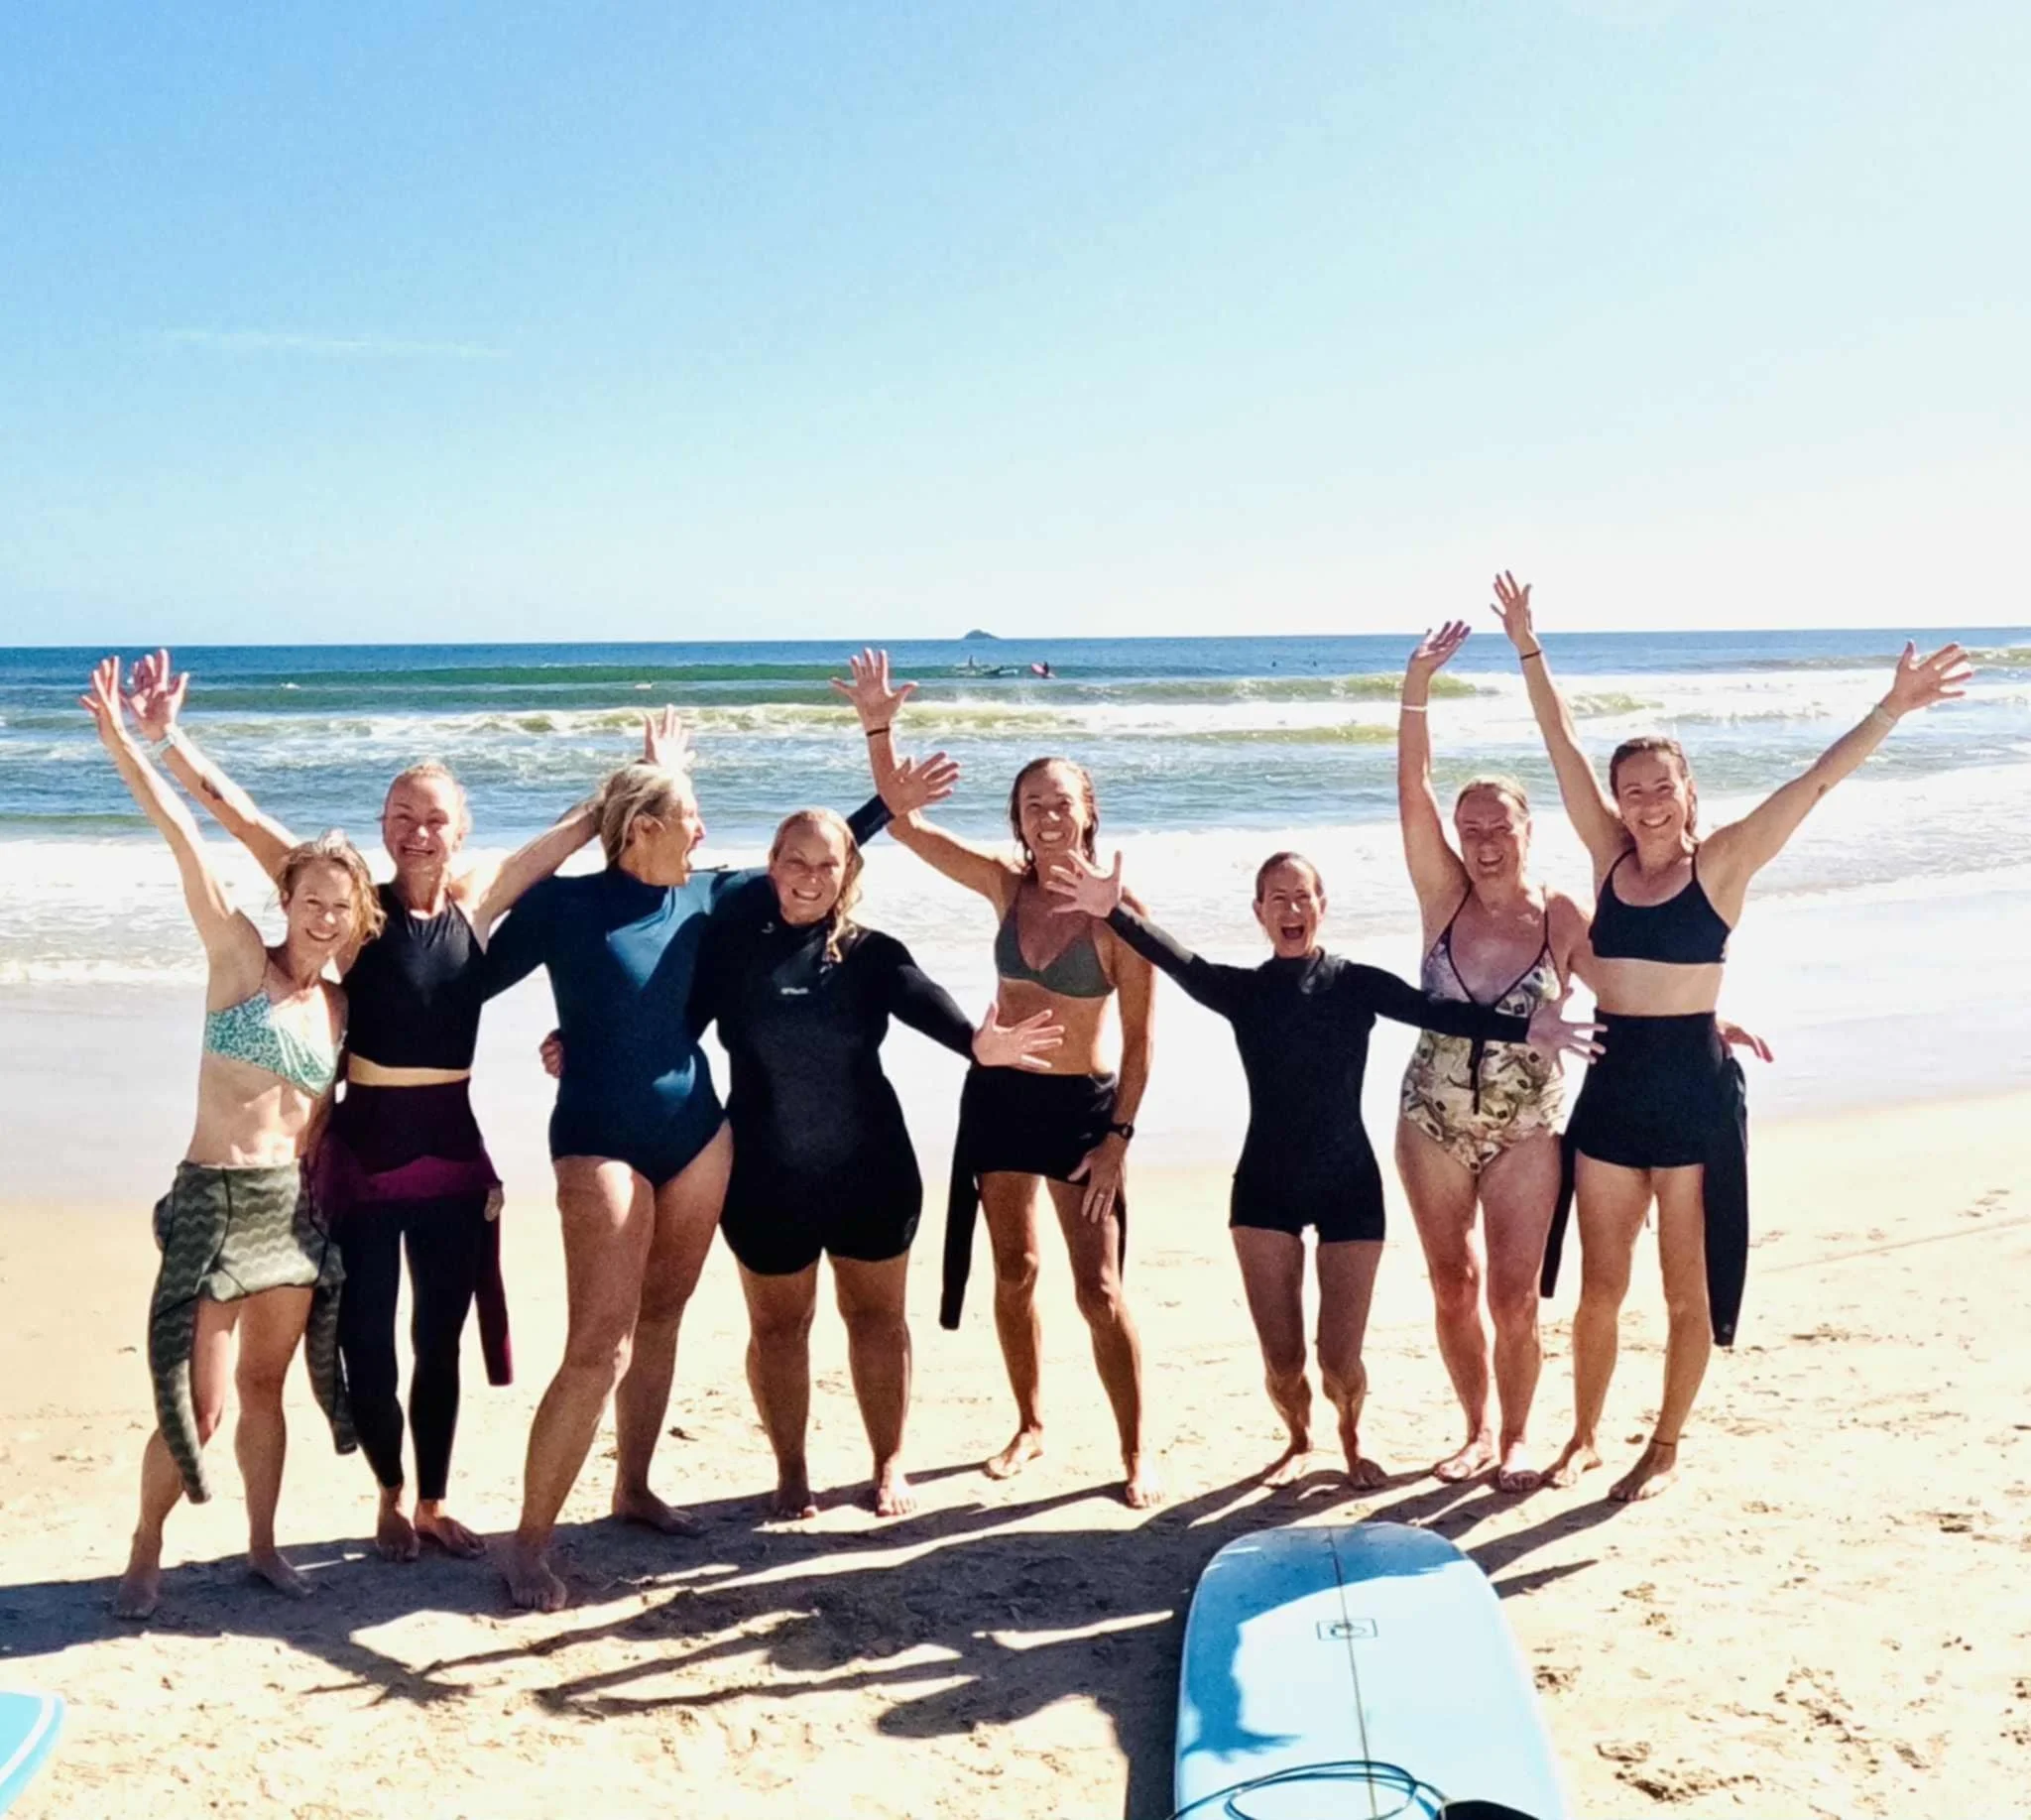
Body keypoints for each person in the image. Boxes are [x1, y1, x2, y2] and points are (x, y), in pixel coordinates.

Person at [121, 649, 607, 1563]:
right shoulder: (359, 914)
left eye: (436, 819)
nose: (420, 832)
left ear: (460, 831)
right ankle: (387, 1496)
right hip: (369, 1151)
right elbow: (249, 823)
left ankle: (431, 1499)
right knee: (371, 1341)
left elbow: (563, 839)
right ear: (386, 829)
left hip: (453, 1147)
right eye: (403, 817)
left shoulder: (477, 902)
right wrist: (169, 741)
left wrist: (644, 779)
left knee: (440, 1338)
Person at [1494, 570, 1971, 1501]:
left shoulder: (1724, 864)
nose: (1644, 803)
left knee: (1684, 1289)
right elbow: (1559, 747)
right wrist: (1526, 645)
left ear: (1686, 789)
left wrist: (1892, 706)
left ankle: (1664, 1444)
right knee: (1599, 1288)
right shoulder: (1608, 859)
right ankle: (1584, 1435)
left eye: (1659, 786)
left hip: (1694, 1094)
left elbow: (1815, 782)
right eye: (1631, 790)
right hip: (1616, 1087)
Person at [480, 736, 954, 1608]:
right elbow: (463, 961)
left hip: (699, 1133)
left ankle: (634, 1487)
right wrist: (590, 814)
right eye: (689, 818)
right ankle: (529, 1541)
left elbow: (811, 867)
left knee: (662, 1314)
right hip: (598, 1137)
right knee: (601, 1345)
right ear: (643, 828)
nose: (704, 833)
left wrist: (885, 802)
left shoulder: (708, 896)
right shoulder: (563, 907)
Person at [542, 807, 1062, 1520]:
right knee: (780, 1330)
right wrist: (581, 1042)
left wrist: (982, 1044)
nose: (811, 878)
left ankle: (888, 1462)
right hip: (764, 1175)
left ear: (849, 872)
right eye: (796, 862)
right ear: (771, 862)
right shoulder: (729, 949)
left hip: (871, 1169)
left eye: (828, 865)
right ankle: (792, 1470)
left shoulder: (875, 953)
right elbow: (659, 1028)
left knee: (876, 1319)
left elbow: (936, 1011)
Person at [1046, 847, 1599, 1488]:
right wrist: (1112, 910)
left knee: (1339, 1362)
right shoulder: (1245, 993)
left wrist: (1527, 1026)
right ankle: (1300, 1435)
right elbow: (1180, 962)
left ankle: (1350, 1432)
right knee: (1283, 1363)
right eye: (1276, 899)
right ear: (1258, 912)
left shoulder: (1352, 983)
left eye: (1303, 896)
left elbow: (1439, 1013)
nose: (1291, 909)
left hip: (1347, 1186)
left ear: (1322, 907)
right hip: (1264, 1188)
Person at [81, 658, 383, 1620]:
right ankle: (144, 1543)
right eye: (312, 897)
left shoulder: (337, 1008)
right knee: (197, 1402)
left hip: (286, 1216)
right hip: (211, 1203)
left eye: (341, 906)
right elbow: (186, 839)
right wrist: (132, 744)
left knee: (267, 1387)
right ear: (288, 893)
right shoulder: (238, 955)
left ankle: (262, 1544)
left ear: (352, 915)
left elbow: (330, 1118)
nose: (324, 916)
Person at [833, 650, 1163, 1510]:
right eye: (1032, 803)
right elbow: (903, 829)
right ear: (1018, 818)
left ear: (1088, 812)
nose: (1048, 813)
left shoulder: (1124, 917)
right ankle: (1030, 1422)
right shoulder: (1003, 886)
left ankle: (1136, 1450)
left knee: (1098, 1286)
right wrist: (878, 726)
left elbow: (1142, 1041)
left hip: (1081, 1112)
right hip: (1001, 1103)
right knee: (1013, 1269)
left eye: (1063, 800)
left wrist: (1120, 1139)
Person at [1392, 620, 1595, 1492]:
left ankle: (1516, 1434)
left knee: (1514, 1295)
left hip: (1527, 1131)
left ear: (1526, 828)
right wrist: (1415, 687)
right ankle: (1473, 1427)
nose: (1480, 839)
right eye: (1469, 825)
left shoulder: (1557, 915)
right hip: (1430, 1120)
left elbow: (1622, 990)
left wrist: (1705, 1021)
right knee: (1451, 1283)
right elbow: (1413, 787)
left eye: (1497, 825)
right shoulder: (1441, 895)